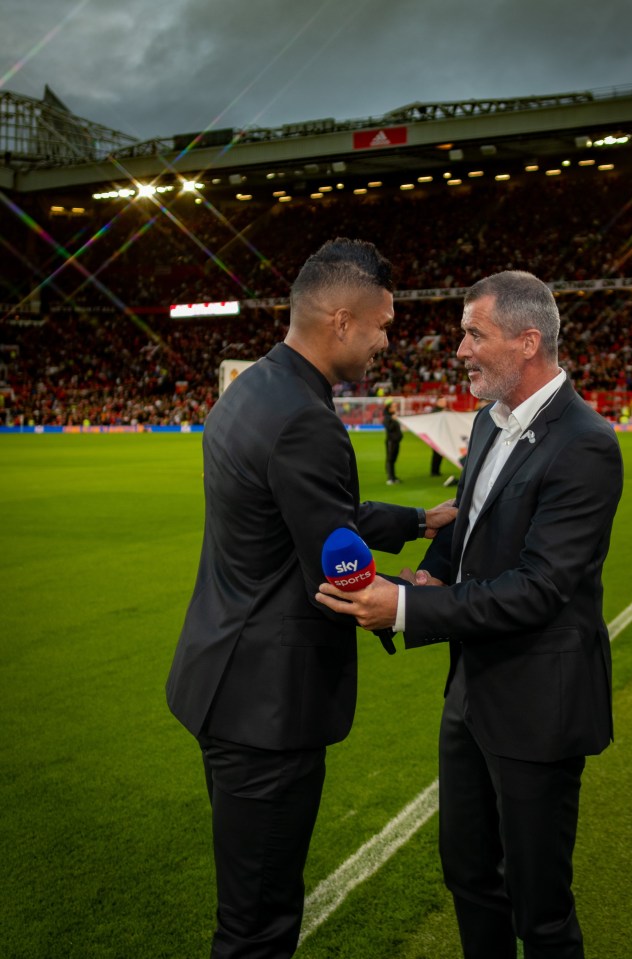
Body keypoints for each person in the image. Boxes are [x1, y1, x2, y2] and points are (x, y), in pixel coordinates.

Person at [316, 270, 624, 959]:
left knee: (541, 908)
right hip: (470, 693)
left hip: (539, 704)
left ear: (527, 340)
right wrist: (436, 569)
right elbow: (472, 523)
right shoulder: (488, 421)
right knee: (468, 874)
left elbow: (541, 588)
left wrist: (408, 606)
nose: (459, 349)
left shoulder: (587, 442)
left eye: (472, 333)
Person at [166, 237, 456, 959]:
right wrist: (418, 595)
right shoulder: (306, 418)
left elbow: (319, 515)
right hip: (268, 707)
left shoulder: (255, 388)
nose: (389, 341)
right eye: (384, 325)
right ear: (341, 319)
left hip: (224, 675)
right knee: (258, 926)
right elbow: (336, 569)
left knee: (252, 908)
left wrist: (420, 520)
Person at [383, 399, 403, 484]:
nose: (396, 408)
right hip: (391, 442)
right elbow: (389, 428)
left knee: (393, 460)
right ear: (389, 408)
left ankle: (393, 477)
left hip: (396, 441)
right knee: (390, 460)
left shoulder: (393, 416)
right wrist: (394, 420)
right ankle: (390, 478)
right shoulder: (387, 418)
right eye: (394, 406)